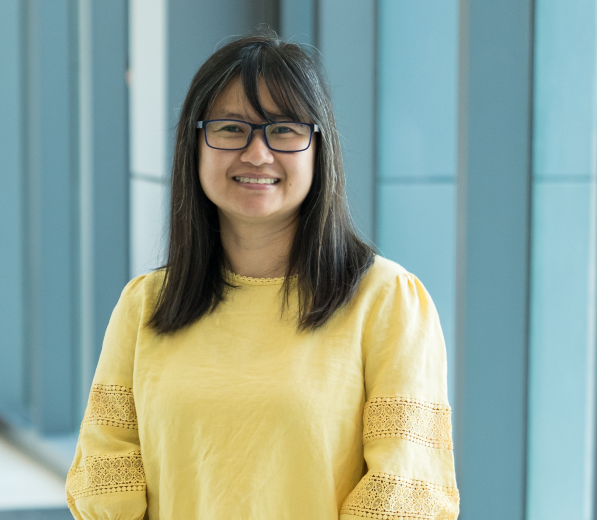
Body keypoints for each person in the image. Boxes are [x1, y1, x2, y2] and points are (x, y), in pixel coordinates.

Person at [65, 33, 458, 520]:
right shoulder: (146, 304)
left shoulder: (387, 301)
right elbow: (106, 474)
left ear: (319, 146)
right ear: (196, 144)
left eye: (283, 129)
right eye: (231, 128)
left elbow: (403, 490)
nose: (256, 154)